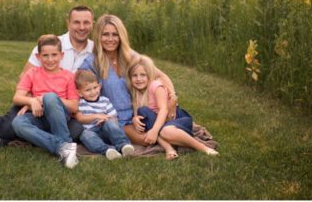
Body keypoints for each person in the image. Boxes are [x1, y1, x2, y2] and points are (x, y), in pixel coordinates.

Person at [0, 5, 94, 152]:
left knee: (75, 132)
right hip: (32, 103)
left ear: (92, 24)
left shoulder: (94, 50)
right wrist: (32, 101)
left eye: (86, 22)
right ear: (68, 23)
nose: (81, 27)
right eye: (76, 22)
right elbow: (25, 77)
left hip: (62, 111)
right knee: (10, 126)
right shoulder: (50, 45)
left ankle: (4, 141)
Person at [79, 14, 179, 145]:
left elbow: (160, 75)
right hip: (114, 118)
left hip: (140, 112)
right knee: (146, 140)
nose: (110, 39)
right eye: (105, 34)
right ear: (98, 36)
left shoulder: (130, 56)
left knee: (162, 132)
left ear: (121, 36)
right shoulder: (91, 63)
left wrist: (173, 98)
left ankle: (169, 133)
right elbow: (81, 90)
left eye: (115, 34)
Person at [128, 55, 218, 160]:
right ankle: (169, 148)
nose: (139, 79)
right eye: (135, 75)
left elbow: (164, 110)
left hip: (175, 118)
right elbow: (137, 111)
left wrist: (154, 131)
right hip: (159, 122)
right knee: (142, 111)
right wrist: (135, 119)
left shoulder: (156, 86)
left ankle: (204, 148)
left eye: (143, 75)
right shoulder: (135, 92)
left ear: (150, 75)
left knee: (165, 131)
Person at [10, 34, 80, 169]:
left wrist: (44, 98)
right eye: (45, 55)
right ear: (38, 57)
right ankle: (63, 147)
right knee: (18, 122)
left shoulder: (68, 77)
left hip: (59, 117)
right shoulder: (32, 73)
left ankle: (64, 143)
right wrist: (31, 101)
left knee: (50, 97)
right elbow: (16, 98)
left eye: (54, 55)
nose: (50, 59)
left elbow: (74, 106)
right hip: (39, 116)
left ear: (61, 55)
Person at [73, 70, 134, 160]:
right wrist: (97, 116)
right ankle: (107, 150)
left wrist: (106, 120)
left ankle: (123, 145)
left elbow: (114, 118)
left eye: (95, 88)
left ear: (99, 86)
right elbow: (80, 119)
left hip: (107, 132)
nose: (93, 92)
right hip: (91, 132)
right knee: (85, 135)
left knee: (111, 124)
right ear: (80, 93)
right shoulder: (79, 103)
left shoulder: (104, 101)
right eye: (88, 90)